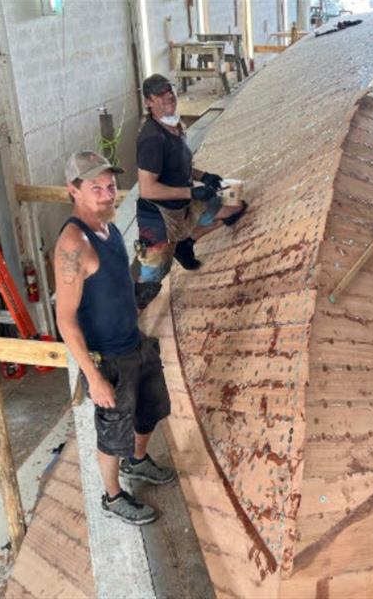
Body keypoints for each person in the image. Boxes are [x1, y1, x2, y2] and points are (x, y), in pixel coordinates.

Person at [55, 151, 176, 525]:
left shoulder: (108, 228)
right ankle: (112, 497)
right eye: (96, 188)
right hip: (109, 358)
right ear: (73, 191)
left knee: (152, 410)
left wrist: (135, 300)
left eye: (110, 187)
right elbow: (65, 319)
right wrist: (94, 377)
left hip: (134, 341)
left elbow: (111, 284)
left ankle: (137, 462)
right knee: (113, 435)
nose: (108, 195)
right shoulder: (74, 244)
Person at [134, 73, 246, 309]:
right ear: (148, 102)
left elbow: (179, 165)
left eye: (169, 92)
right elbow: (147, 188)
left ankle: (186, 243)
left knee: (234, 208)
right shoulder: (152, 139)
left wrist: (203, 176)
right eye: (160, 95)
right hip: (158, 216)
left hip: (183, 203)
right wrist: (191, 193)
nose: (168, 97)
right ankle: (133, 327)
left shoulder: (175, 125)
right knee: (150, 282)